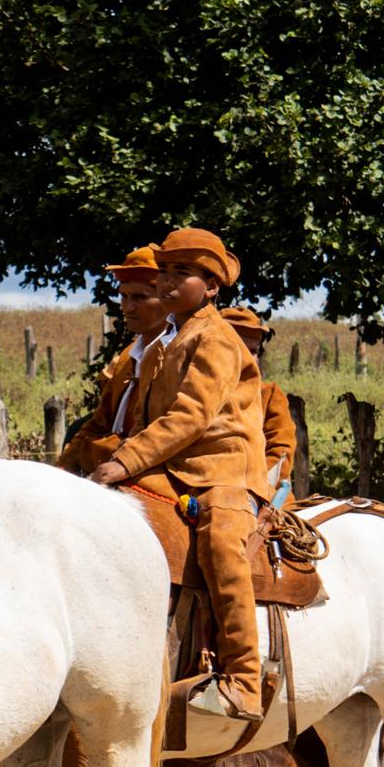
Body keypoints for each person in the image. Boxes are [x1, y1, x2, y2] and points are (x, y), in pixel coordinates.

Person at [92, 227, 270, 722]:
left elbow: (191, 416)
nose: (167, 282)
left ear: (211, 287)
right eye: (165, 272)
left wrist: (126, 460)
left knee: (221, 542)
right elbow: (146, 419)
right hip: (175, 469)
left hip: (224, 471)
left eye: (182, 273)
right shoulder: (165, 342)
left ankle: (244, 679)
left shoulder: (217, 339)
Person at [58, 245, 172, 476]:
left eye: (140, 297)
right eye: (123, 296)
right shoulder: (128, 358)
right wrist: (64, 466)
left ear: (167, 298)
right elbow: (98, 422)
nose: (127, 307)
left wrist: (113, 455)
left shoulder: (180, 354)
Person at [222, 306, 297, 487]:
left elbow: (280, 452)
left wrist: (251, 488)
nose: (247, 358)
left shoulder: (269, 395)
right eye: (238, 348)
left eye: (253, 351)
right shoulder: (195, 392)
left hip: (261, 492)